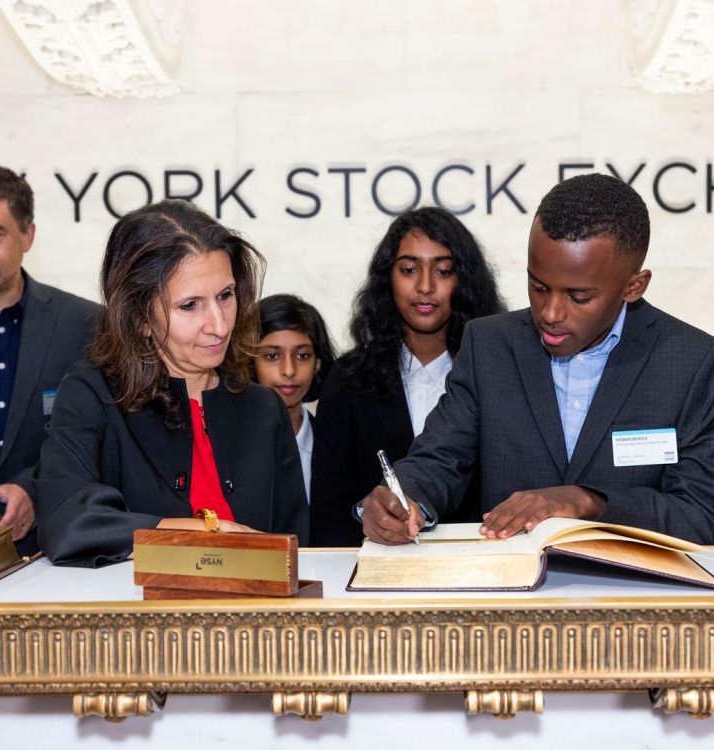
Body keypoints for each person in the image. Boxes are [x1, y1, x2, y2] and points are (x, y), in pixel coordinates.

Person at [362, 173, 714, 546]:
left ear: (633, 286)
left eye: (578, 297)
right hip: (512, 581)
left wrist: (586, 502)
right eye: (538, 287)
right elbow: (439, 458)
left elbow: (700, 513)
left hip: (633, 582)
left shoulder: (691, 362)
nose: (550, 313)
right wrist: (403, 498)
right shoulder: (489, 346)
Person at [34, 199, 308, 566]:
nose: (219, 325)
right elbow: (66, 519)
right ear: (140, 318)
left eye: (225, 296)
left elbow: (296, 549)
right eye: (190, 305)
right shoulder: (93, 393)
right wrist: (205, 533)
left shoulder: (264, 407)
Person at [310, 206, 505, 546]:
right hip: (375, 566)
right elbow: (330, 512)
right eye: (409, 270)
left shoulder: (496, 374)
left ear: (464, 281)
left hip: (482, 562)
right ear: (388, 278)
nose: (425, 286)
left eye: (443, 271)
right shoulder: (349, 378)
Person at [0, 164, 99, 554]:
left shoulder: (87, 324)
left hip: (54, 554)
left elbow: (104, 441)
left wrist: (33, 490)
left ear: (28, 235)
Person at [253, 293, 336, 502]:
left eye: (302, 356)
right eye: (272, 356)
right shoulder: (224, 442)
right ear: (249, 361)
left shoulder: (337, 446)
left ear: (317, 363)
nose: (289, 370)